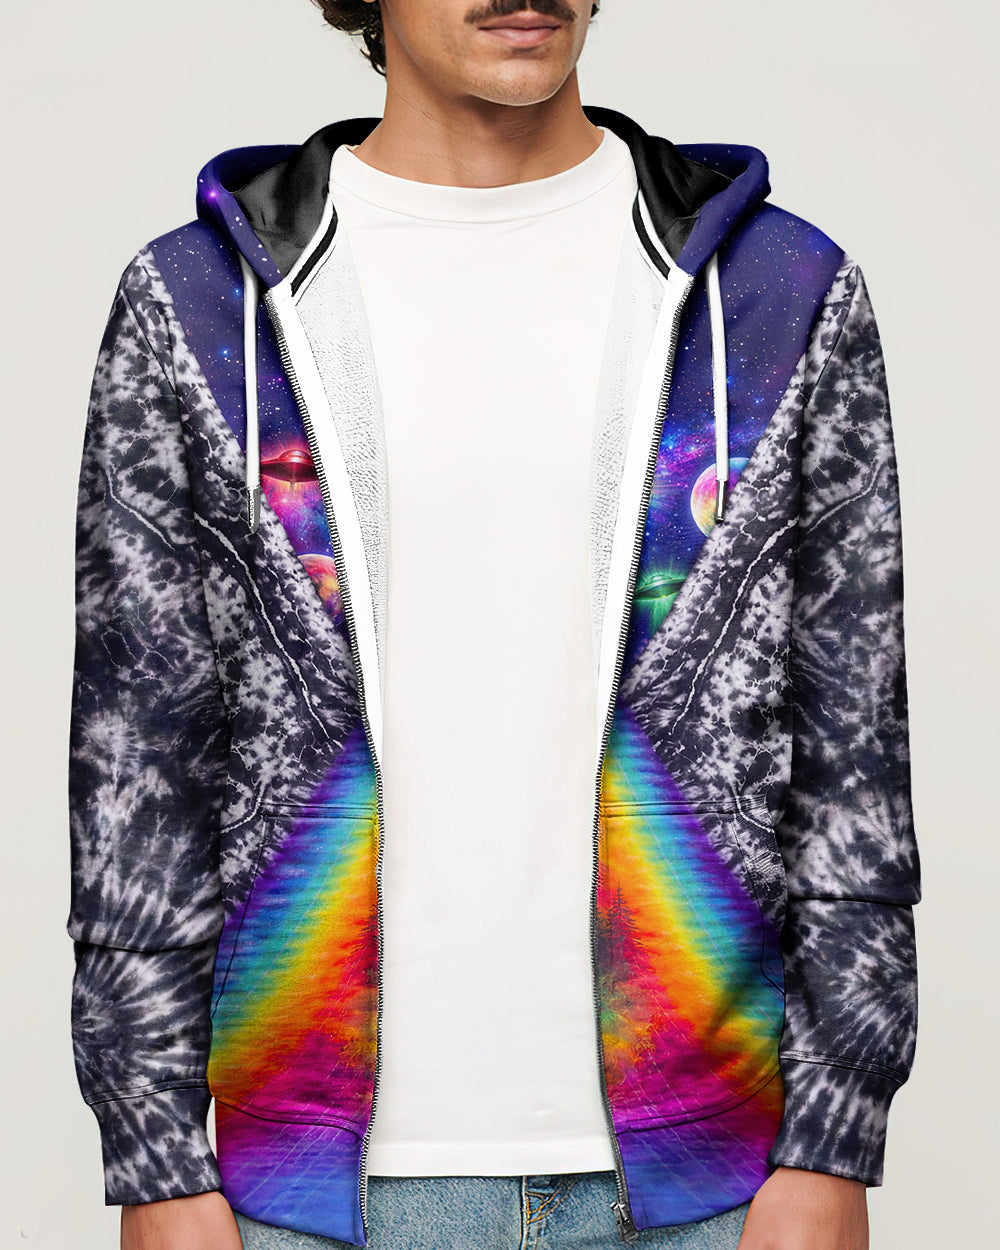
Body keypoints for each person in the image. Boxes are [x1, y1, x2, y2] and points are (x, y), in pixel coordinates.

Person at [66, 2, 921, 1248]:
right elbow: (136, 759)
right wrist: (153, 1155)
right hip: (307, 1191)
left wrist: (833, 1136)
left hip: (711, 1182)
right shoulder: (198, 306)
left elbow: (853, 748)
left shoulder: (780, 292)